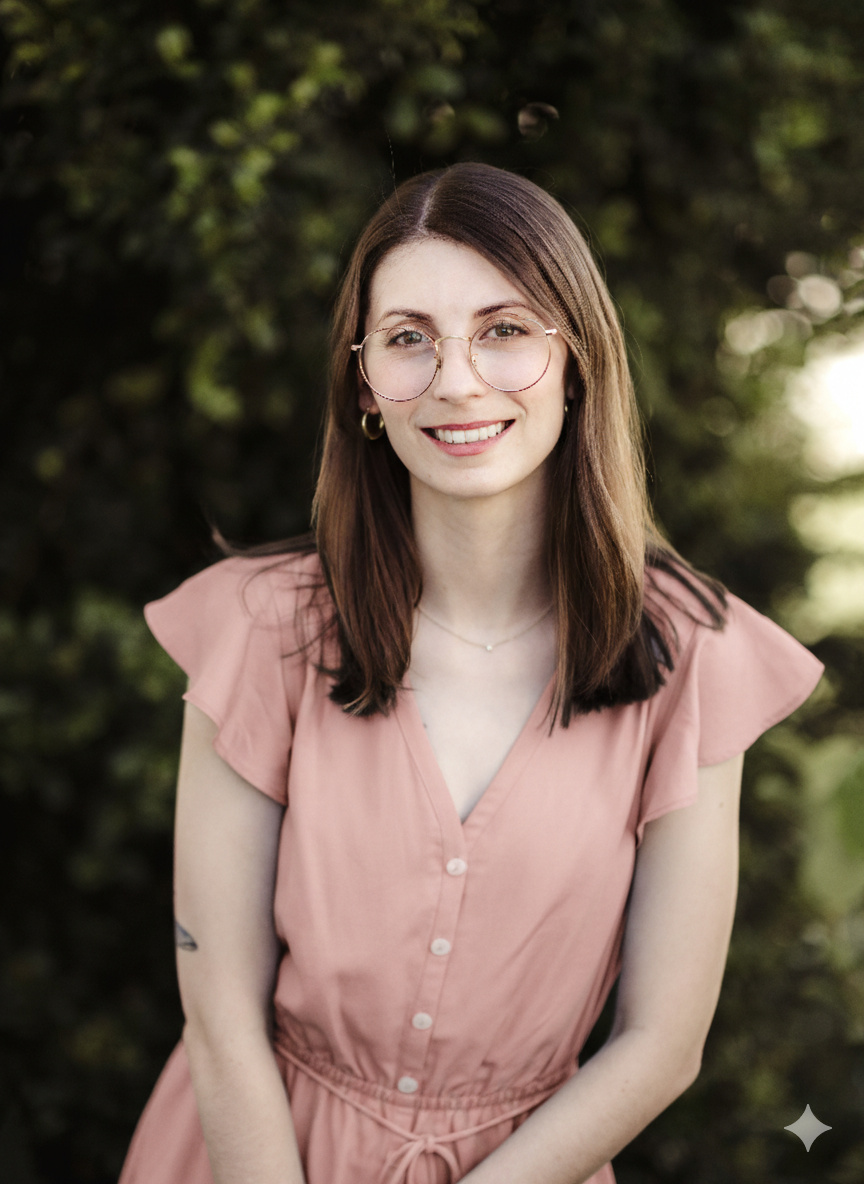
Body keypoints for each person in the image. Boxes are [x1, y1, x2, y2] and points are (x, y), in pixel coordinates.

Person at [118, 163, 823, 1184]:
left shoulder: (692, 658)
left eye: (505, 329)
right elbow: (219, 1008)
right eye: (409, 337)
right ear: (366, 381)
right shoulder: (260, 625)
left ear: (575, 356)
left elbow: (662, 1044)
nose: (455, 378)